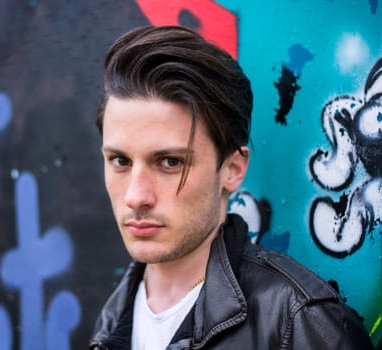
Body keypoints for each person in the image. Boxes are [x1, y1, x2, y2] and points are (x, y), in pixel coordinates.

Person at [88, 25, 374, 350]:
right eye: (120, 161)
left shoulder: (299, 325)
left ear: (233, 170)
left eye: (170, 162)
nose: (135, 196)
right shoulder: (113, 318)